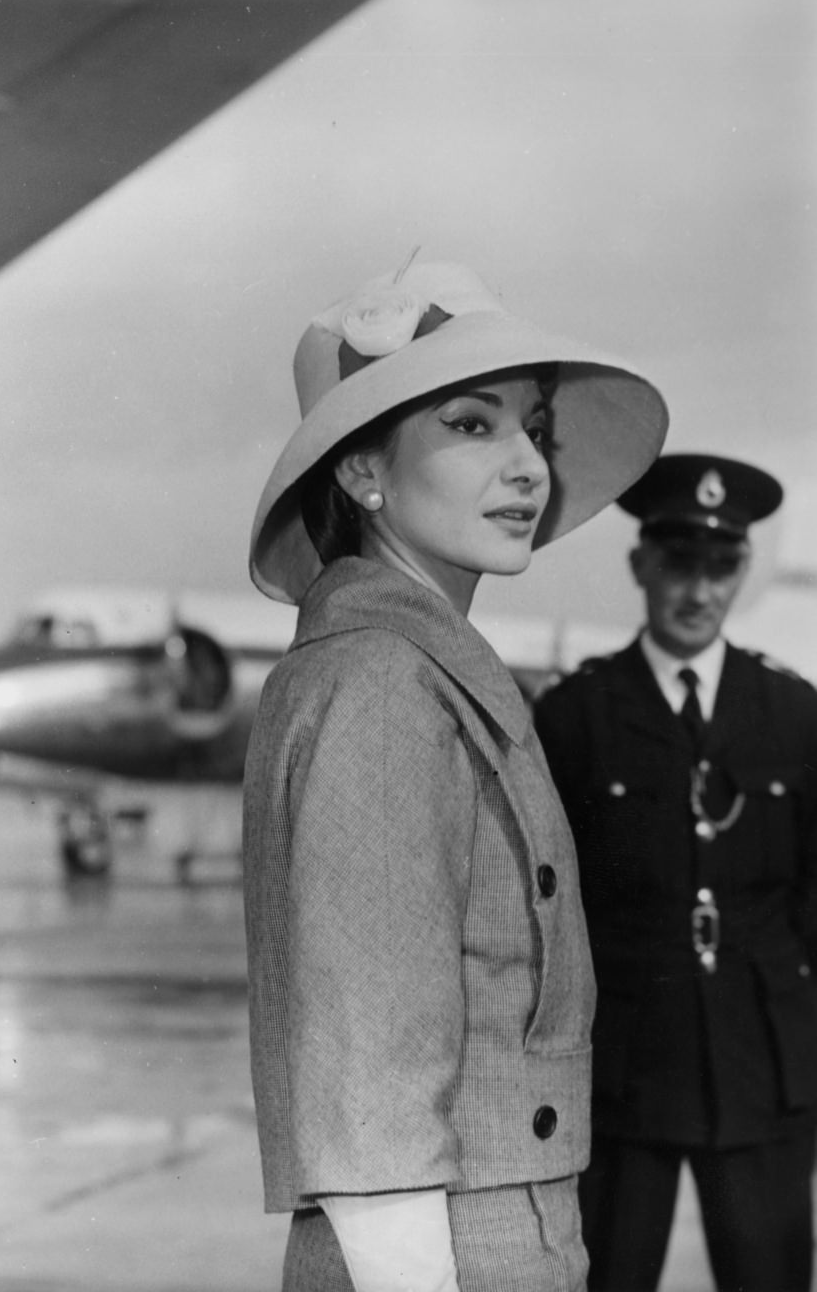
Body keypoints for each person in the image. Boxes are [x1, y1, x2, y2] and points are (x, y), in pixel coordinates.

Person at [241, 258, 668, 1292]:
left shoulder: (416, 667)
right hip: (438, 1250)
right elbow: (371, 1071)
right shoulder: (382, 684)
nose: (530, 466)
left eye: (534, 427)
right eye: (475, 425)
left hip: (485, 1228)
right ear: (361, 472)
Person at [534, 453, 817, 1292]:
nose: (699, 592)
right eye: (679, 566)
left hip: (764, 1065)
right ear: (640, 566)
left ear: (743, 573)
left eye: (721, 568)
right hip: (623, 1072)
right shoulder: (576, 716)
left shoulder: (795, 714)